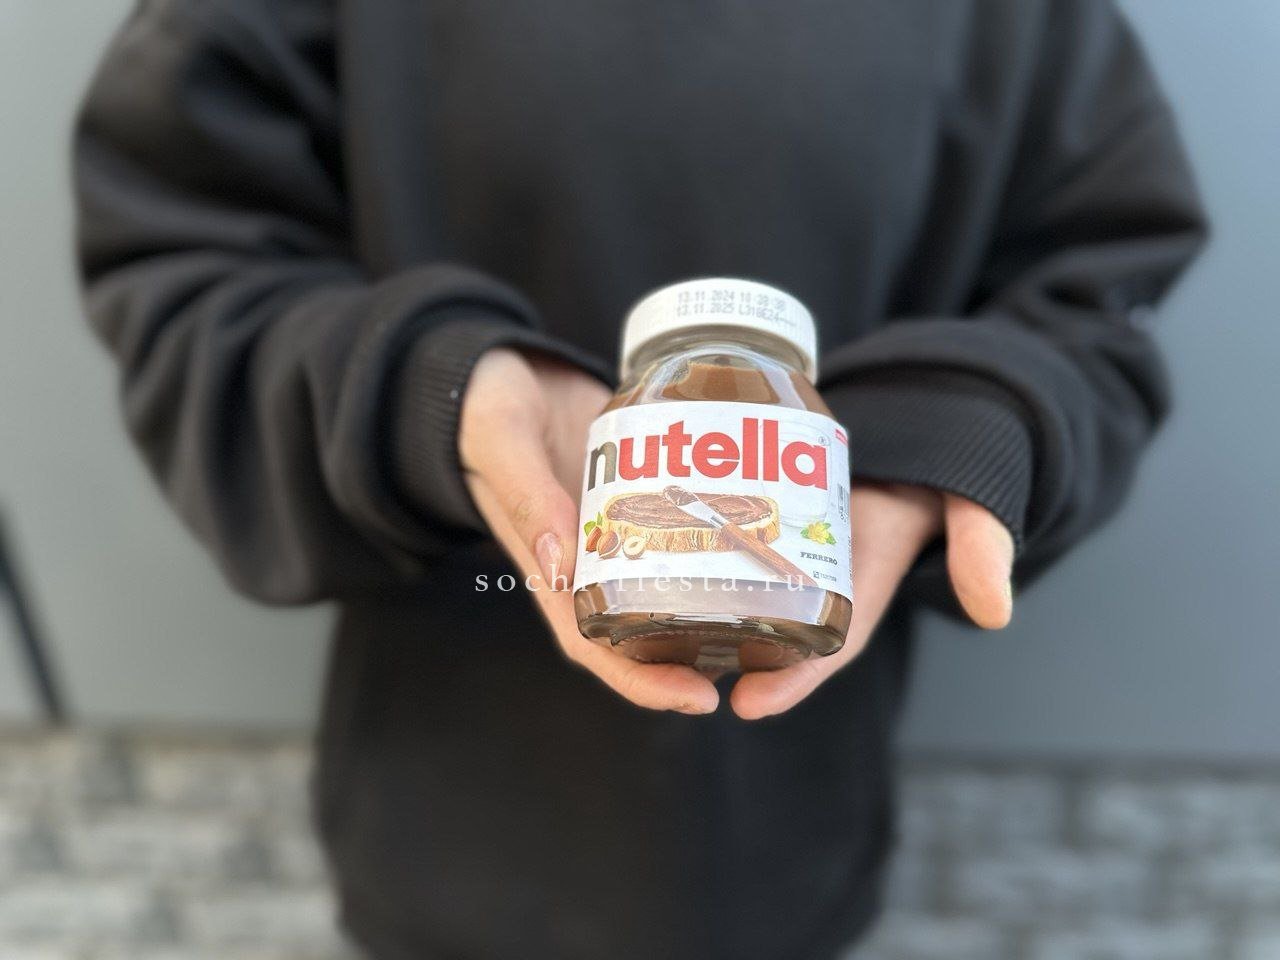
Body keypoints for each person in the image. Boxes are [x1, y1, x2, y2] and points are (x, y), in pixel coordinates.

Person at [74, 1, 1205, 957]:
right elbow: (182, 265)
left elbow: (1099, 300)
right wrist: (414, 389)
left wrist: (966, 419)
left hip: (797, 835)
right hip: (439, 832)